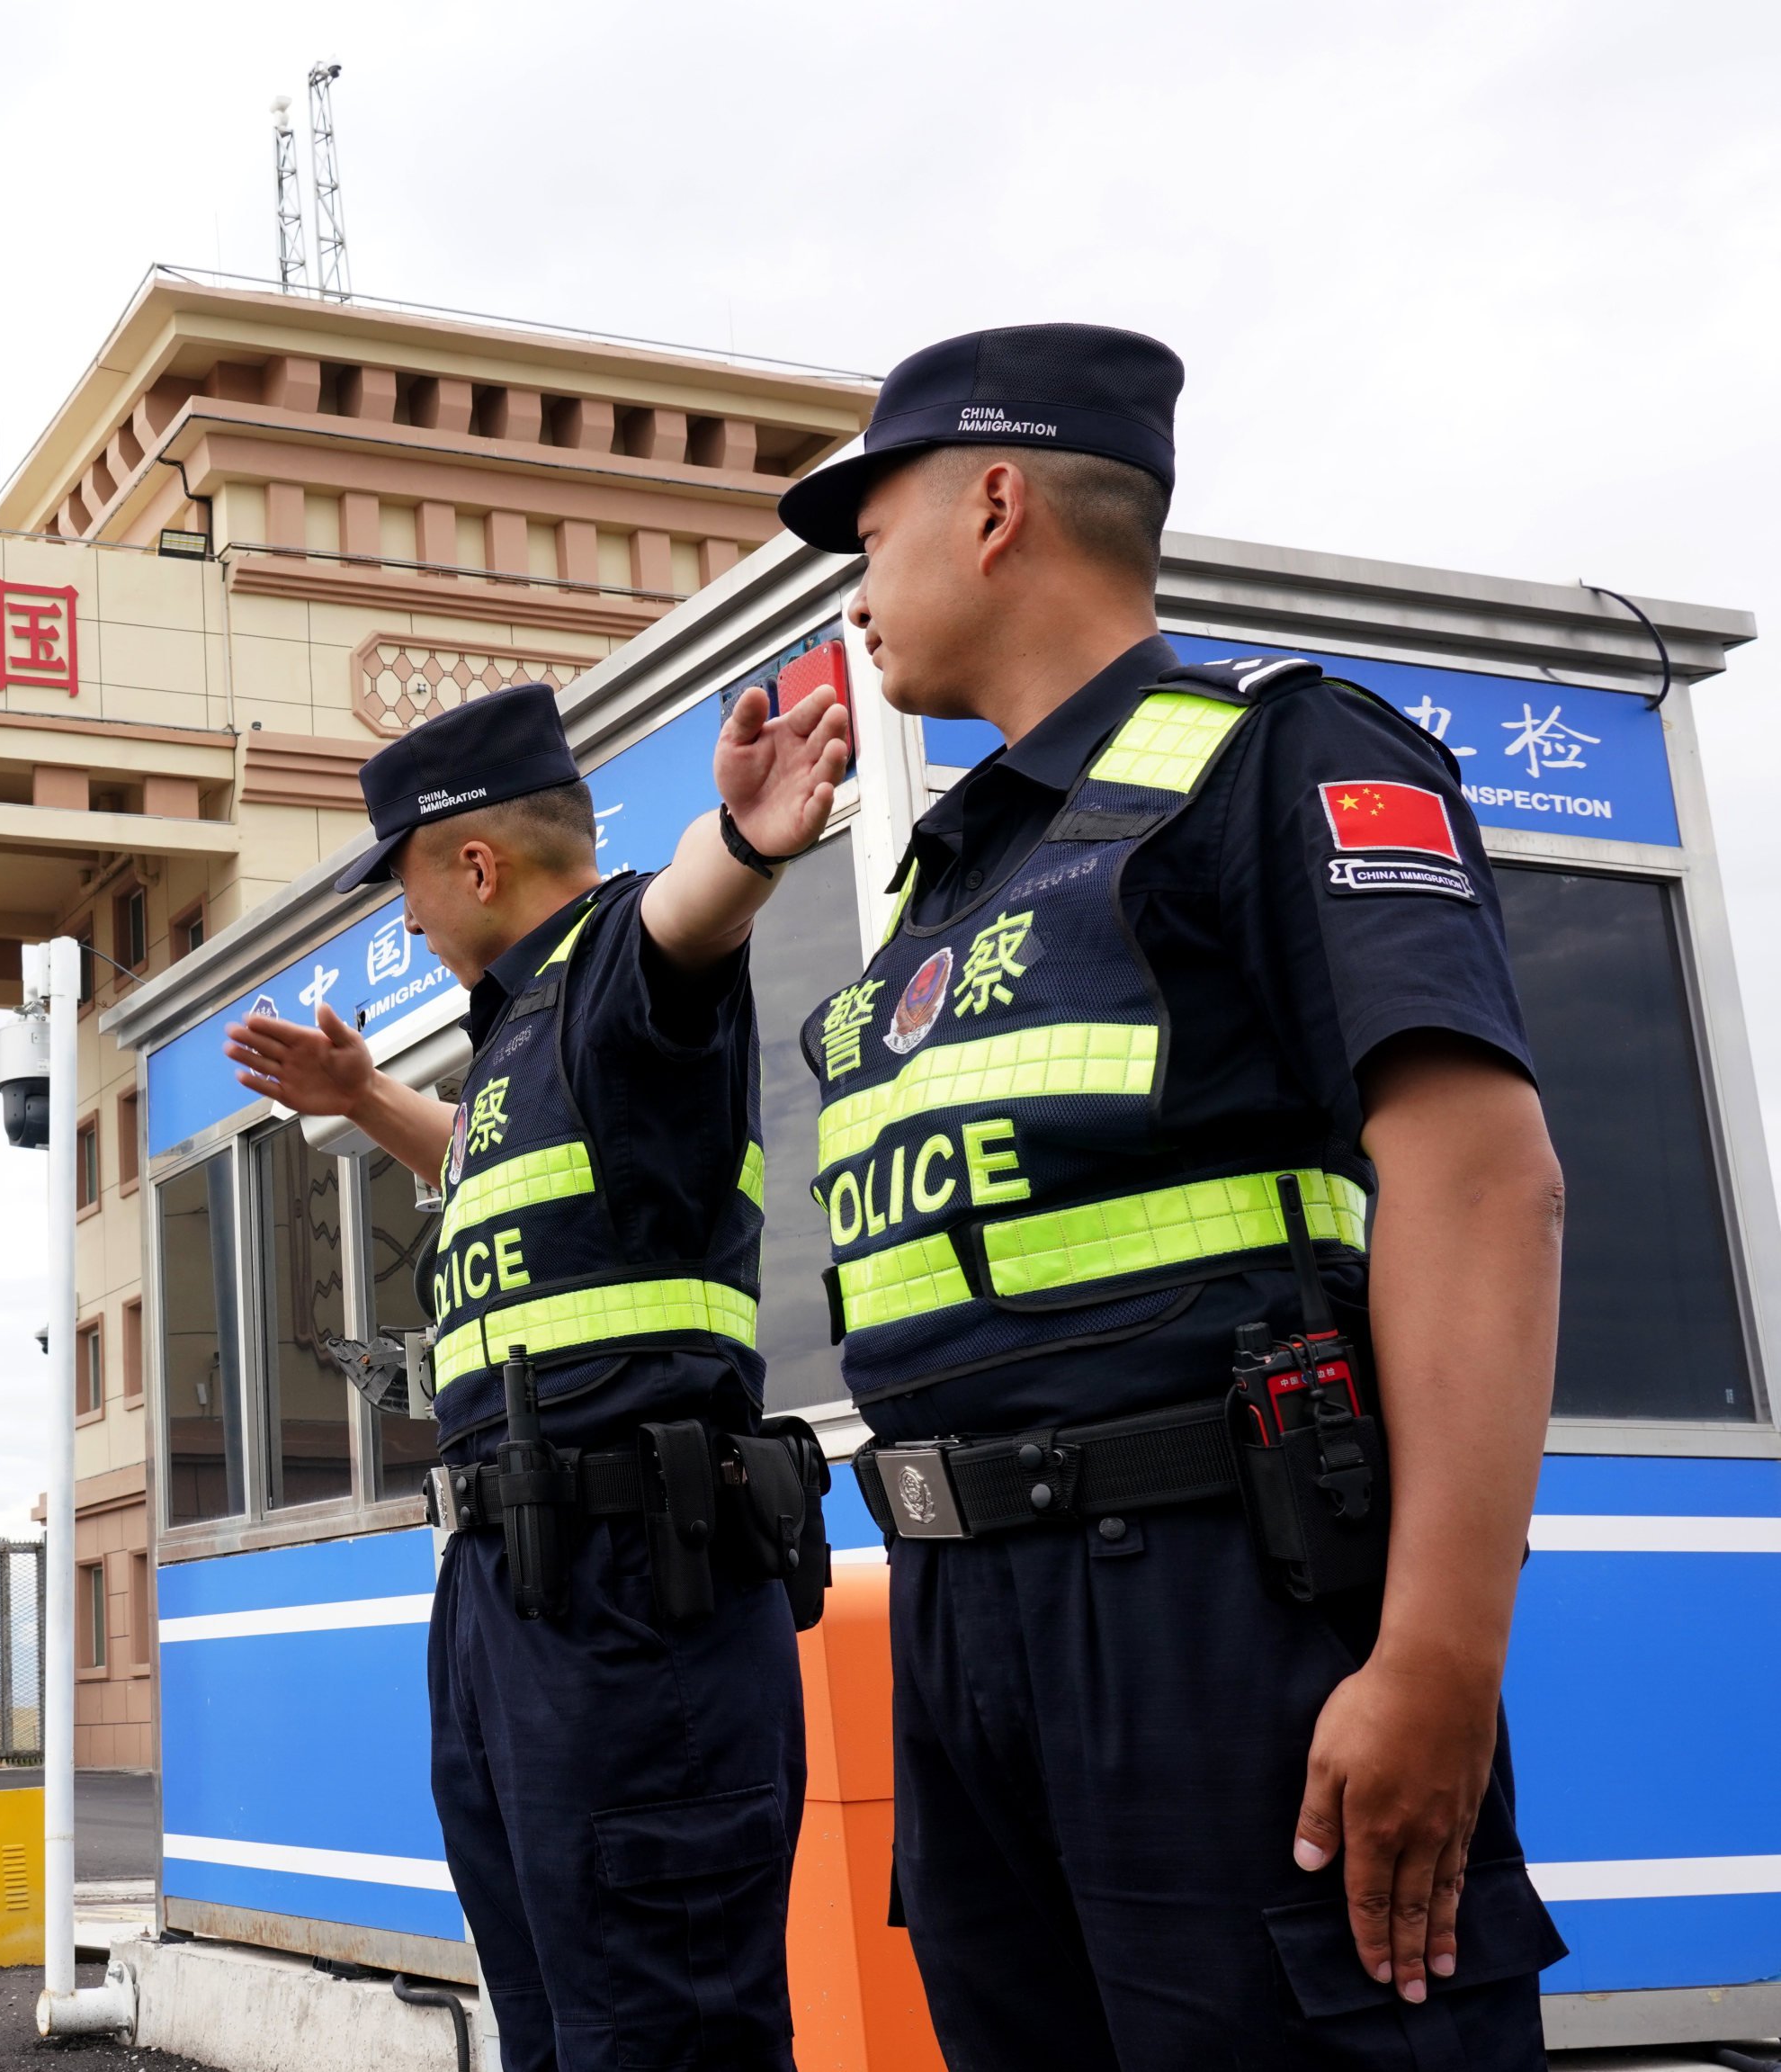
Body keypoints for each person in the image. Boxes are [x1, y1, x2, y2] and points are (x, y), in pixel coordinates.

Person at [774, 323, 1565, 2068]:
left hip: (1214, 1606)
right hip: (967, 1629)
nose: (848, 589)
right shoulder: (958, 882)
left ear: (993, 505)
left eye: (869, 528)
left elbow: (1481, 1181)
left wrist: (1434, 1655)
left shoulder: (1264, 766)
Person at [228, 673, 849, 2068]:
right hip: (518, 1599)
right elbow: (493, 1160)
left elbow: (685, 918)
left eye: (407, 882)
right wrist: (368, 1101)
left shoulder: (623, 967)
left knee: (662, 2027)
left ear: (477, 858)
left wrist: (743, 848)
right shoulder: (522, 1038)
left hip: (642, 1598)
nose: (406, 916)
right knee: (559, 2027)